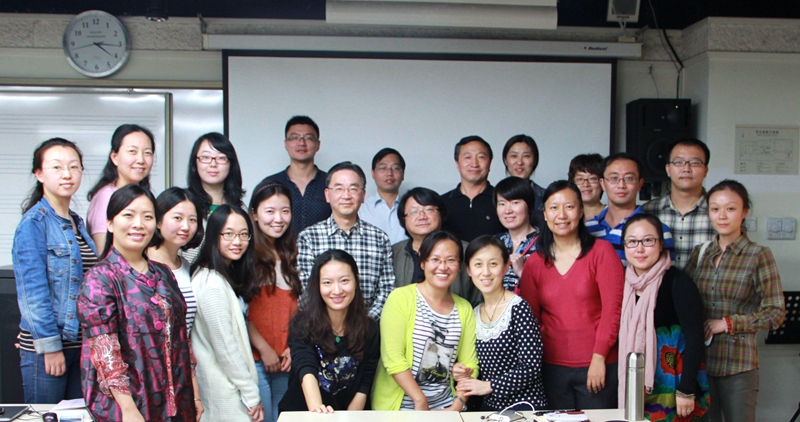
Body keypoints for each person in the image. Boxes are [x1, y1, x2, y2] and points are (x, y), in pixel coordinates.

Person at [78, 185, 201, 421]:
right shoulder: (101, 277)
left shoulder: (163, 273)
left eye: (147, 217)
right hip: (131, 405)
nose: (139, 224)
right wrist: (128, 409)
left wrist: (195, 394)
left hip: (178, 400)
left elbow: (182, 340)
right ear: (110, 223)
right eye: (129, 215)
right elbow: (105, 352)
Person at [684, 180, 786, 422]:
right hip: (700, 362)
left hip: (738, 364)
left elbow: (776, 313)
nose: (722, 216)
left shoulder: (758, 255)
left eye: (730, 208)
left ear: (744, 211)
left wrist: (727, 323)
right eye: (715, 209)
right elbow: (685, 302)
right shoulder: (701, 253)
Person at [519, 180, 624, 409]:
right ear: (544, 214)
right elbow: (530, 319)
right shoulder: (535, 262)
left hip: (598, 363)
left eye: (569, 206)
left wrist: (599, 358)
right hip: (551, 367)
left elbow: (612, 311)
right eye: (554, 207)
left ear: (581, 210)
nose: (562, 215)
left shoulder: (602, 252)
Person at [13, 138, 97, 403]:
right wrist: (50, 347)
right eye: (57, 167)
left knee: (79, 417)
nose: (67, 174)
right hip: (48, 350)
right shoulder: (34, 223)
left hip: (81, 347)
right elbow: (32, 293)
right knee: (46, 417)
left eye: (73, 166)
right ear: (39, 174)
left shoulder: (77, 223)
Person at [617, 213, 710, 421]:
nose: (639, 249)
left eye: (648, 241)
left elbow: (695, 338)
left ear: (661, 244)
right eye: (632, 242)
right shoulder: (623, 282)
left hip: (673, 383)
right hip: (635, 383)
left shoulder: (678, 282)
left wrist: (686, 389)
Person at [372, 230, 479, 411]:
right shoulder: (400, 298)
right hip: (402, 407)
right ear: (422, 262)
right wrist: (420, 401)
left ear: (459, 265)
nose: (443, 267)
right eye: (435, 259)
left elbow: (470, 364)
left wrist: (457, 405)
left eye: (451, 260)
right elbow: (393, 359)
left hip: (447, 405)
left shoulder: (464, 308)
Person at [278, 250, 380, 413]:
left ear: (356, 280)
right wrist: (318, 410)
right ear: (317, 285)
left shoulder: (370, 328)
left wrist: (350, 417)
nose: (337, 290)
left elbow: (366, 379)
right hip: (305, 412)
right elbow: (305, 368)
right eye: (327, 282)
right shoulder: (302, 324)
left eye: (344, 280)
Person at [191, 205, 264, 422]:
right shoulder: (211, 285)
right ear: (214, 235)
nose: (237, 241)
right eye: (229, 234)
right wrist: (252, 394)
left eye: (244, 234)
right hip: (224, 393)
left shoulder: (220, 275)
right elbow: (226, 348)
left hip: (228, 388)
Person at [456, 235, 547, 411]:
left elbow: (532, 365)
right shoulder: (474, 313)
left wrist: (490, 386)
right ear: (468, 270)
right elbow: (474, 363)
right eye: (478, 264)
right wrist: (461, 370)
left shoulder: (518, 307)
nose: (486, 272)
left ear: (506, 267)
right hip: (490, 407)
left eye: (493, 264)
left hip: (525, 406)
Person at [297, 161, 395, 320]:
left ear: (363, 195)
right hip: (321, 328)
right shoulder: (308, 238)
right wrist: (333, 325)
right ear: (327, 195)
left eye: (353, 189)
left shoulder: (380, 239)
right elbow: (305, 292)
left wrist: (365, 324)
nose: (346, 195)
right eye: (339, 189)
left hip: (368, 328)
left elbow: (387, 291)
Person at [247, 182, 302, 422]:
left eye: (285, 211)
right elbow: (240, 313)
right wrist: (265, 350)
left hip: (286, 359)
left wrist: (292, 347)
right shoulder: (245, 254)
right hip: (255, 359)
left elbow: (300, 310)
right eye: (270, 211)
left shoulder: (295, 254)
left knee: (284, 418)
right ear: (254, 214)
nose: (278, 219)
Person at [393, 187, 481, 306]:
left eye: (429, 209)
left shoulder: (467, 251)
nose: (422, 216)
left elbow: (478, 301)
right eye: (414, 211)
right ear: (403, 218)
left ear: (441, 214)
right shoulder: (393, 253)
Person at [585, 153, 674, 266]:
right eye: (614, 178)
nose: (621, 185)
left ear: (640, 184)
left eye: (629, 178)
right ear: (602, 184)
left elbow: (666, 275)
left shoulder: (658, 229)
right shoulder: (587, 229)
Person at [642, 139, 715, 268]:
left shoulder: (720, 212)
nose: (686, 169)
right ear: (668, 169)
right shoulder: (648, 212)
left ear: (705, 170)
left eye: (695, 163)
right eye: (678, 162)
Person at [86, 124, 155, 248]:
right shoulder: (106, 197)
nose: (141, 159)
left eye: (147, 153)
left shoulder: (144, 196)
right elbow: (103, 251)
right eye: (132, 151)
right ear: (115, 157)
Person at [183, 132, 246, 264]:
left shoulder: (240, 208)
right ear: (195, 162)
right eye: (205, 157)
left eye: (221, 158)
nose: (213, 164)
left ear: (231, 163)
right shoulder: (183, 203)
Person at [147, 187, 203, 334]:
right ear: (158, 221)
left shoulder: (186, 266)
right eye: (178, 218)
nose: (186, 227)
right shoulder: (143, 264)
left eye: (192, 220)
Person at [264, 116, 331, 235]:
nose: (301, 143)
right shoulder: (270, 183)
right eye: (294, 137)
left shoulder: (331, 183)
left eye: (309, 138)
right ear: (286, 144)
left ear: (318, 144)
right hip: (280, 248)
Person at [441, 136, 504, 242]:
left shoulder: (502, 201)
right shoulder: (441, 203)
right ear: (457, 164)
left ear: (490, 163)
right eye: (468, 157)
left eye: (481, 157)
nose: (474, 164)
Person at [494, 176, 539, 291]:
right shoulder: (494, 243)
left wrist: (522, 272)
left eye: (515, 203)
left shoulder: (545, 243)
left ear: (529, 206)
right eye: (502, 204)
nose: (508, 210)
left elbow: (553, 289)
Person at [358, 148, 407, 244]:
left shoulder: (413, 209)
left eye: (396, 168)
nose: (389, 173)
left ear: (403, 174)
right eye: (383, 168)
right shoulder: (361, 210)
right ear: (373, 173)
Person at [501, 134, 546, 230]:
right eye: (514, 156)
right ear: (505, 160)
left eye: (526, 156)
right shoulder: (496, 196)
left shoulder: (546, 197)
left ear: (534, 160)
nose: (519, 162)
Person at [568, 153, 605, 221]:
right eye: (580, 179)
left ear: (602, 183)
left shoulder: (614, 215)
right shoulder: (567, 218)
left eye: (592, 178)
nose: (586, 184)